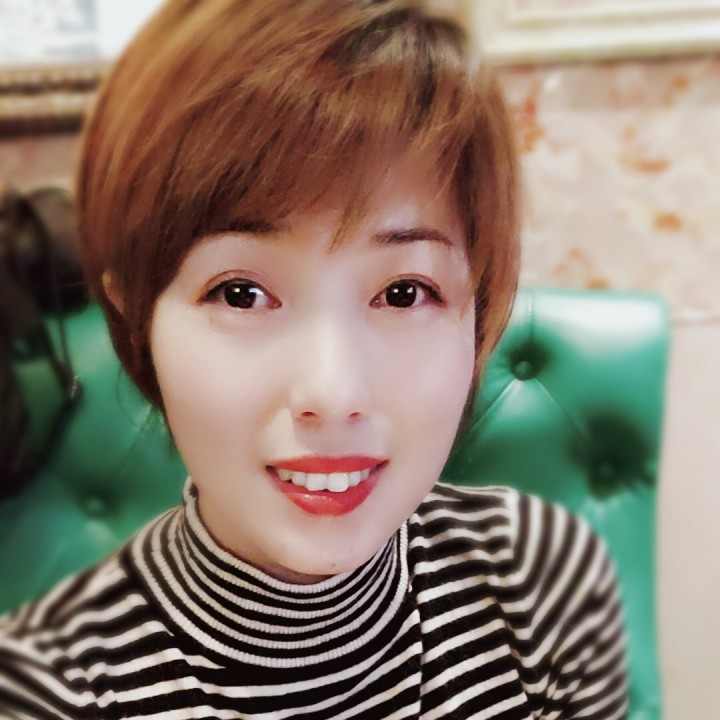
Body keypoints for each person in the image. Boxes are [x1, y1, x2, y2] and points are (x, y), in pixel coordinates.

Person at [0, 0, 628, 717]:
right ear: (136, 318)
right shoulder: (48, 691)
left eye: (404, 292)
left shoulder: (542, 578)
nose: (334, 393)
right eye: (241, 293)